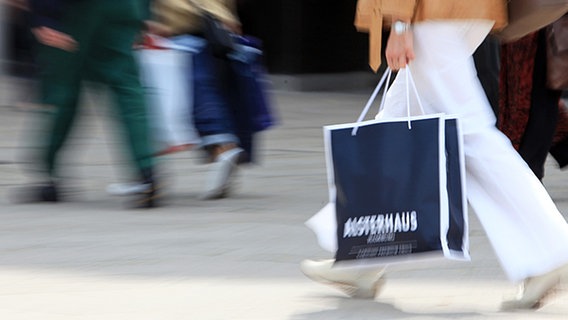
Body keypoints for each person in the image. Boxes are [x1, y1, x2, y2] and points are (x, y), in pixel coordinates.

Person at [301, 0, 568, 310]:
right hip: (461, 11)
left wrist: (401, 23)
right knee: (399, 120)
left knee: (470, 133)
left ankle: (552, 250)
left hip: (433, 12)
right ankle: (359, 257)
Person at [23, 0, 159, 208]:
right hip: (126, 6)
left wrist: (44, 16)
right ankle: (146, 173)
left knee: (63, 90)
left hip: (78, 10)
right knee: (127, 86)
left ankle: (48, 176)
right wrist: (144, 11)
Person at [499, 28, 565, 180]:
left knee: (531, 93)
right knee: (535, 93)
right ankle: (527, 171)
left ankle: (527, 172)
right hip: (532, 22)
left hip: (535, 22)